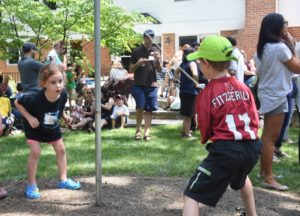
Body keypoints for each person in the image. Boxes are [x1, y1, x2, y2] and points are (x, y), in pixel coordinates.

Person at [182, 35, 261, 216]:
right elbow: (254, 118)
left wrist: (206, 137)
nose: (200, 67)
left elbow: (205, 129)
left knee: (192, 195)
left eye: (200, 63)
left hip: (227, 150)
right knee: (241, 177)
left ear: (207, 63)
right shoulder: (243, 87)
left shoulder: (207, 93)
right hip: (252, 147)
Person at [15, 64, 81, 199]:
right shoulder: (34, 98)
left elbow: (60, 107)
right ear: (44, 84)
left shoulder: (63, 94)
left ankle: (63, 180)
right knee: (36, 152)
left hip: (52, 125)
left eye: (60, 81)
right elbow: (17, 102)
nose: (58, 85)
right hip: (34, 127)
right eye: (53, 82)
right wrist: (30, 117)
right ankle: (32, 185)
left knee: (61, 150)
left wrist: (64, 116)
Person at [255, 13, 300, 191]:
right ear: (277, 27)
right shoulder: (279, 48)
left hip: (266, 93)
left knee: (267, 136)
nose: (286, 27)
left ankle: (263, 172)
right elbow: (297, 67)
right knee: (270, 138)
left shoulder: (261, 49)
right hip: (277, 95)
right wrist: (291, 44)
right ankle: (268, 177)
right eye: (284, 24)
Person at [130, 29, 162, 141]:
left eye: (152, 37)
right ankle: (138, 130)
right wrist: (139, 63)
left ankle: (147, 132)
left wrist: (158, 60)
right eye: (148, 37)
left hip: (152, 84)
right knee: (140, 106)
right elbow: (131, 69)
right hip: (139, 83)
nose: (150, 39)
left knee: (149, 109)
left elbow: (159, 70)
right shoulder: (136, 51)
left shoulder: (156, 50)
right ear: (144, 38)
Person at [175, 47, 199, 138]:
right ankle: (187, 133)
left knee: (185, 113)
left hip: (183, 90)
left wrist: (177, 79)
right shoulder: (192, 63)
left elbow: (176, 72)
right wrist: (196, 83)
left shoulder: (182, 64)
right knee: (189, 114)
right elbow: (195, 74)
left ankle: (183, 131)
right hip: (191, 91)